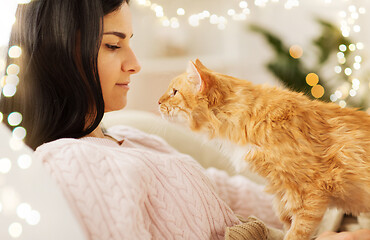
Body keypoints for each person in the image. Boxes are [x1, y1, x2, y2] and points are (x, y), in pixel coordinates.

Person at [0, 0, 368, 239]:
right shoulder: (69, 160)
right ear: (61, 56)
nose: (136, 63)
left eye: (130, 41)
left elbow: (240, 194)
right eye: (113, 44)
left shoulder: (135, 137)